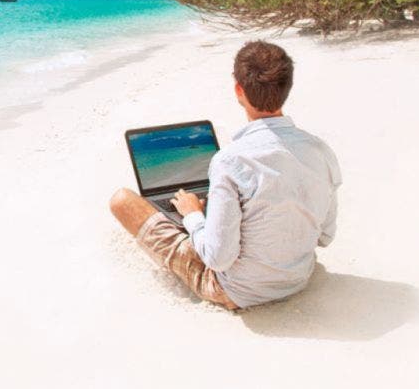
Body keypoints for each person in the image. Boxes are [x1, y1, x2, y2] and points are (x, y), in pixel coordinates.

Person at [109, 41, 341, 310]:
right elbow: (325, 237)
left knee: (122, 200)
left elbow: (217, 259)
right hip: (298, 278)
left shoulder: (230, 161)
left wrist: (192, 216)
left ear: (239, 90)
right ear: (287, 88)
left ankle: (187, 216)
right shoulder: (321, 150)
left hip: (237, 291)